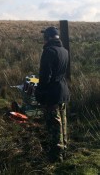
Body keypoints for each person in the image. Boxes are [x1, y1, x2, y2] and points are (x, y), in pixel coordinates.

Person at [35, 26, 70, 163]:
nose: (43, 39)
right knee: (63, 123)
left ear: (48, 38)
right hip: (63, 91)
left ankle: (56, 156)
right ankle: (64, 150)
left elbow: (45, 76)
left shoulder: (49, 51)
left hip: (52, 94)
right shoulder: (64, 51)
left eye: (44, 37)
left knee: (54, 125)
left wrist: (40, 92)